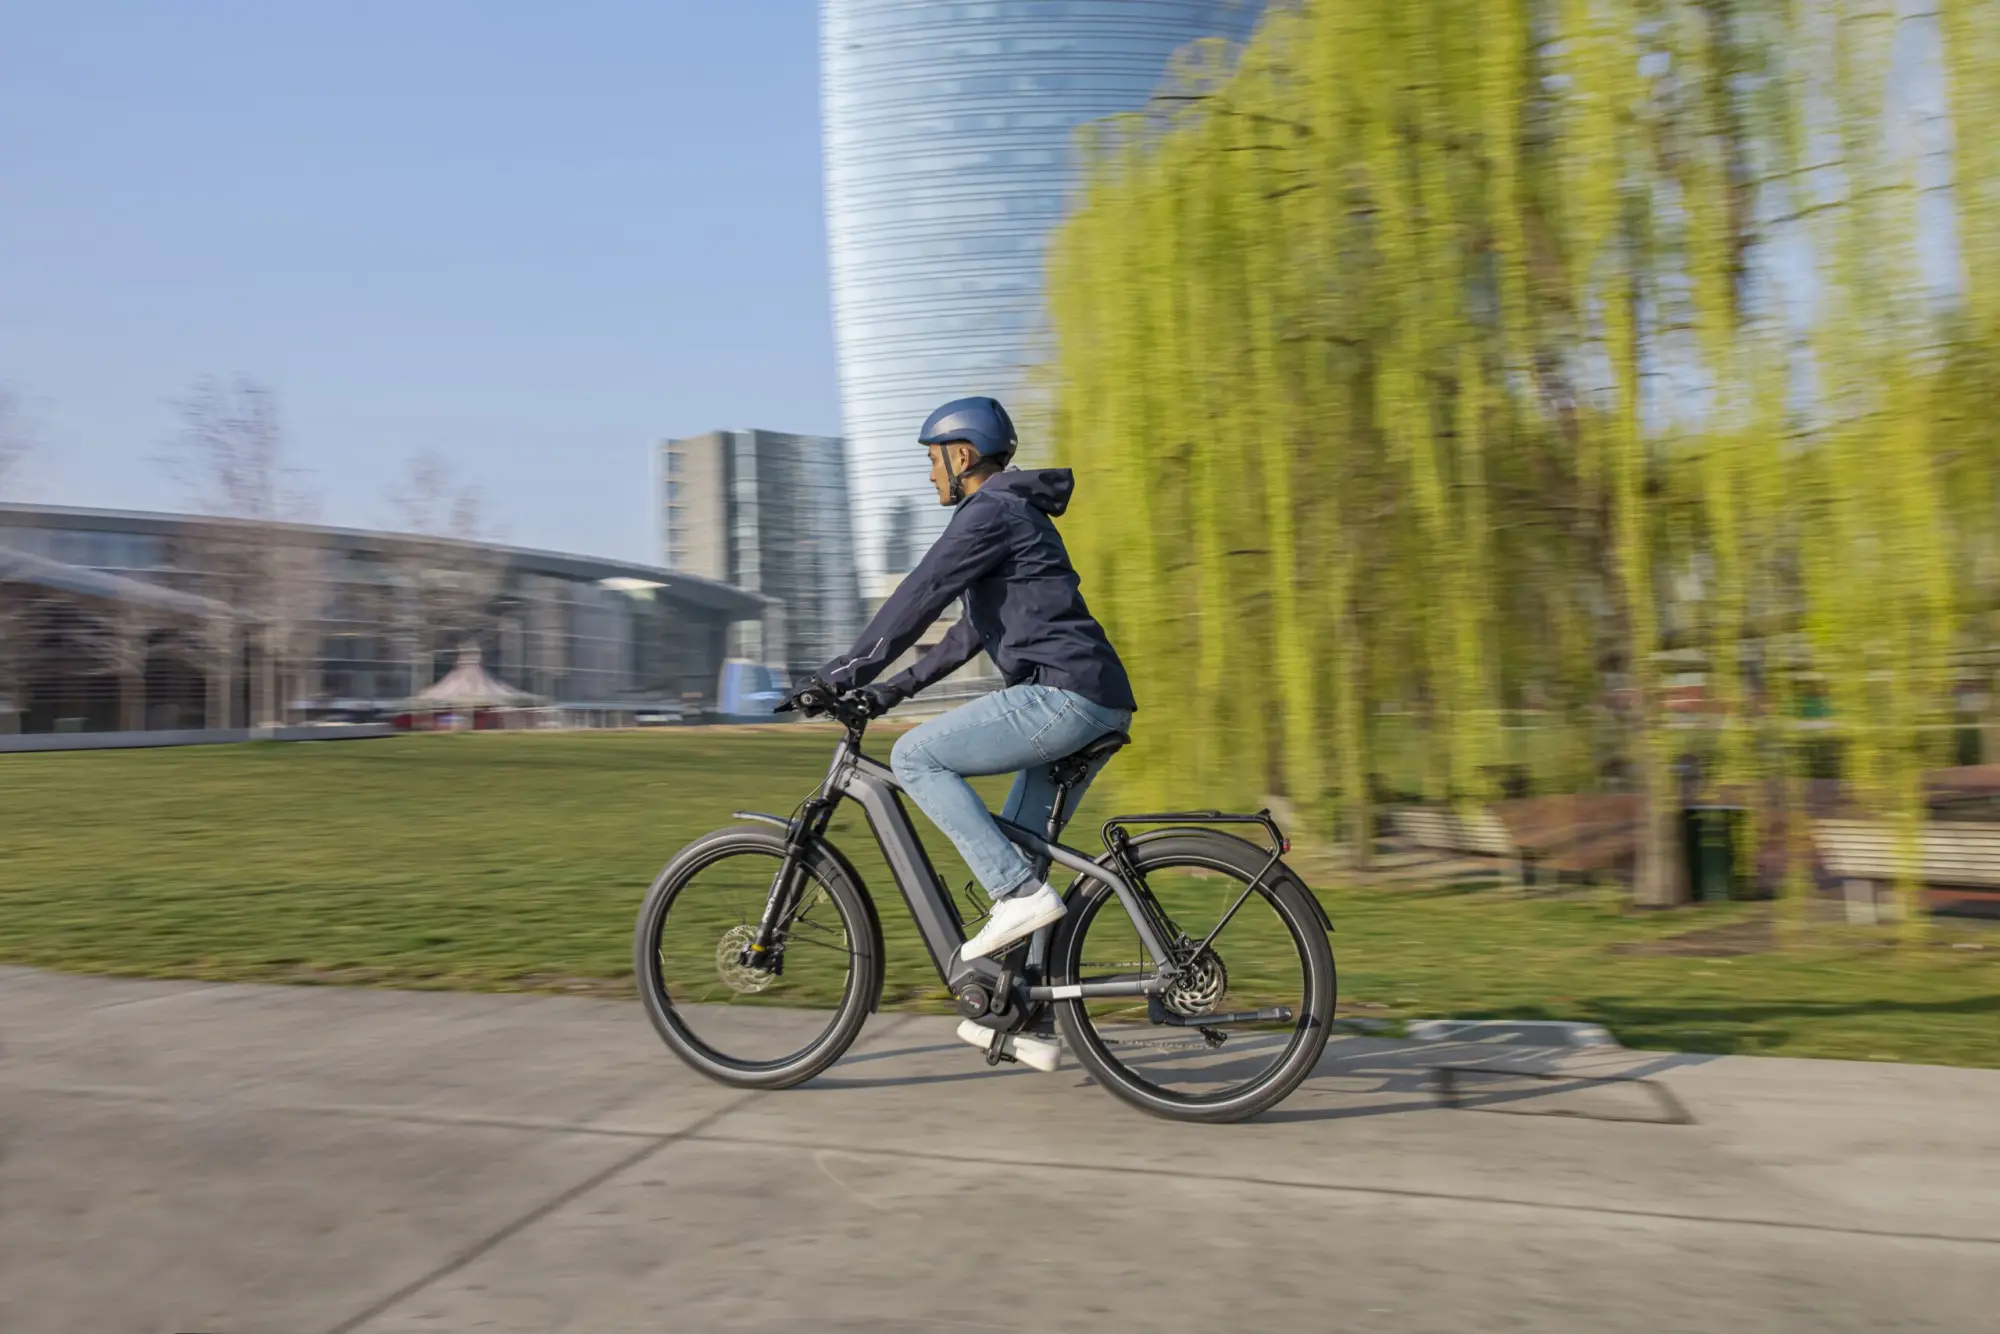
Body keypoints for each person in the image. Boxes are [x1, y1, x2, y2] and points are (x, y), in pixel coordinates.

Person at [780, 395, 1137, 972]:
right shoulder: (1013, 512)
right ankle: (1017, 1009)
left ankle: (1019, 897)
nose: (929, 474)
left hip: (1063, 695)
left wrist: (840, 675)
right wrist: (889, 690)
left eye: (932, 460)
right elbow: (969, 630)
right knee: (1021, 852)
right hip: (1092, 696)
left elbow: (920, 595)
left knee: (915, 755)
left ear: (963, 454)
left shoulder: (990, 511)